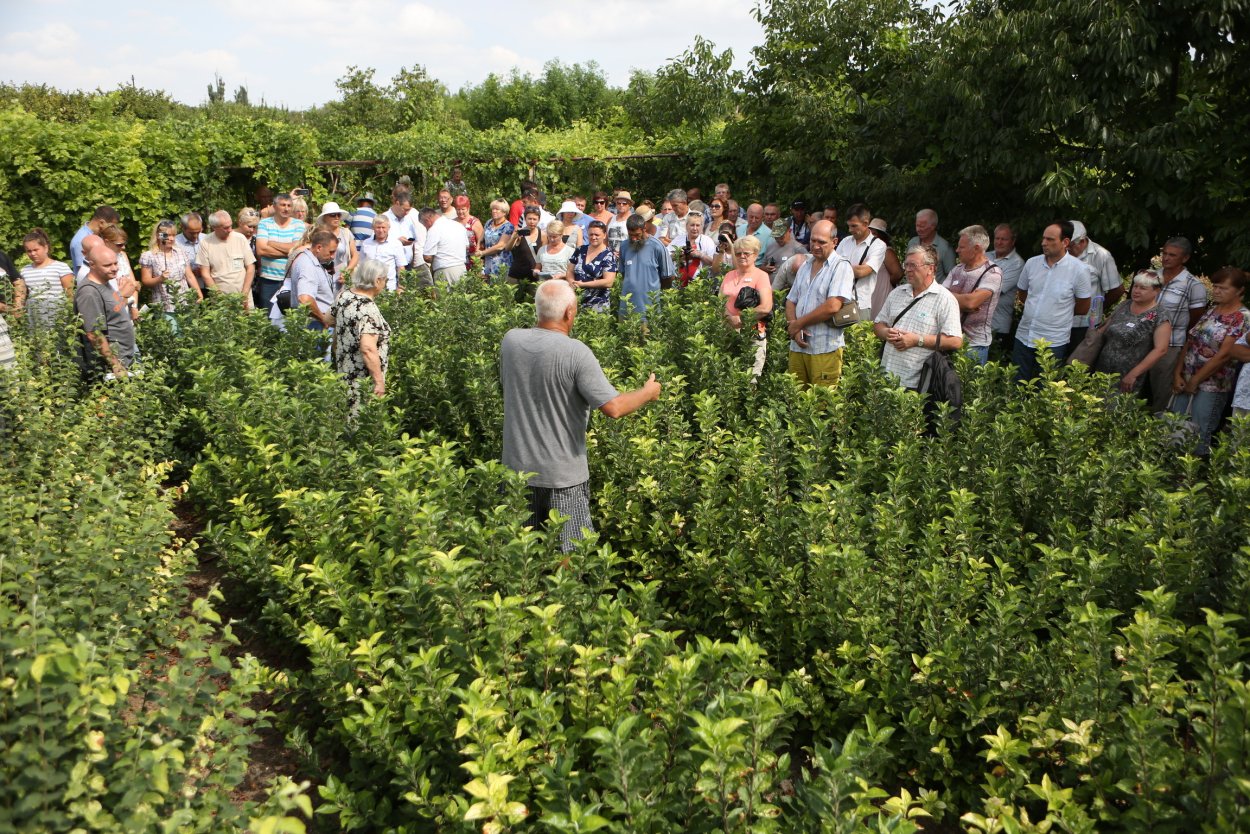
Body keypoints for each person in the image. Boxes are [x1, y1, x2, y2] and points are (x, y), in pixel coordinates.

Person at [500, 279, 662, 550]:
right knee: (570, 553)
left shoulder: (510, 341)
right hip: (563, 476)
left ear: (538, 309)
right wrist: (649, 391)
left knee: (521, 554)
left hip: (516, 472)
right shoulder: (576, 352)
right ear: (569, 313)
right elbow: (614, 407)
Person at [1170, 267, 1249, 454]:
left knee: (1199, 430)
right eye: (1215, 286)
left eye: (1223, 288)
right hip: (1186, 378)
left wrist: (1196, 380)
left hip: (1213, 384)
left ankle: (1190, 477)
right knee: (1175, 427)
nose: (1217, 291)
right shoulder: (1212, 310)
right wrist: (1177, 373)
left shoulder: (1243, 317)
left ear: (1239, 291)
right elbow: (1191, 341)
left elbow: (1224, 355)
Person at [874, 244, 964, 389]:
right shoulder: (897, 292)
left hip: (917, 385)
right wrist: (886, 333)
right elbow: (878, 324)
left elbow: (955, 341)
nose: (907, 269)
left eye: (913, 265)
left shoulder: (944, 299)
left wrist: (917, 340)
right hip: (885, 378)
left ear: (931, 268)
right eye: (906, 265)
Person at [1012, 221, 1093, 380]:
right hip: (1024, 336)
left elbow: (1083, 307)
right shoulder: (1032, 263)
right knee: (1017, 386)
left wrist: (1057, 313)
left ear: (1065, 242)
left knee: (1046, 390)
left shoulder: (1079, 270)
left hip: (1053, 342)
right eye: (1043, 238)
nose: (1044, 243)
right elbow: (1022, 293)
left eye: (1050, 239)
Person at [785, 219, 854, 389]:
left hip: (824, 347)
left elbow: (832, 306)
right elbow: (791, 300)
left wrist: (798, 324)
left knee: (822, 406)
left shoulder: (841, 267)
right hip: (798, 346)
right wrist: (794, 327)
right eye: (812, 241)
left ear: (834, 242)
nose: (815, 246)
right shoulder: (805, 265)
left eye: (821, 242)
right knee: (796, 400)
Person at [1148, 236, 1209, 413]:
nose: (1166, 258)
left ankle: (1156, 430)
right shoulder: (1151, 276)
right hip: (1143, 340)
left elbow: (1196, 318)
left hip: (1171, 344)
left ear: (1185, 258)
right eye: (1164, 253)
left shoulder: (1192, 284)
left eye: (1172, 255)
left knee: (1162, 389)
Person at [1089, 270, 1171, 395]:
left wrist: (1133, 374)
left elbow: (1161, 349)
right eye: (1135, 286)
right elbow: (1104, 329)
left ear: (1156, 291)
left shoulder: (1160, 314)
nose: (1136, 290)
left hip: (1127, 377)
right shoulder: (1124, 305)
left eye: (1143, 288)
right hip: (1102, 371)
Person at [332, 258, 391, 420]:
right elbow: (368, 348)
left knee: (346, 417)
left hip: (343, 372)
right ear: (377, 280)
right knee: (362, 423)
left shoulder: (344, 295)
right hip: (362, 380)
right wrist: (378, 382)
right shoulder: (368, 309)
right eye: (385, 280)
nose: (385, 284)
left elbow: (330, 320)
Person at [942, 225, 1002, 364]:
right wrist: (965, 301)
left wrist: (960, 301)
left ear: (976, 248)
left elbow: (971, 303)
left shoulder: (992, 273)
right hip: (949, 340)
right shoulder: (957, 269)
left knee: (967, 385)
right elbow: (939, 297)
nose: (957, 250)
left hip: (974, 346)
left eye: (961, 247)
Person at [74, 245, 135, 380]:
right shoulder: (89, 292)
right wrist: (115, 364)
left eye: (115, 263)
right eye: (107, 265)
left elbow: (113, 311)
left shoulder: (105, 283)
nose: (114, 268)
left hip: (124, 358)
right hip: (110, 368)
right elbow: (94, 333)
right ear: (92, 265)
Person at [721, 236, 774, 377]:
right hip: (727, 331)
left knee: (751, 377)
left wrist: (740, 318)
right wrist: (730, 318)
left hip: (752, 331)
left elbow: (766, 307)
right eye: (738, 253)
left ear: (755, 255)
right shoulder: (728, 275)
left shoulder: (761, 276)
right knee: (728, 376)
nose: (742, 256)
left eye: (746, 253)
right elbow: (720, 303)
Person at [270, 229, 338, 331]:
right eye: (331, 252)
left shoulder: (312, 259)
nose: (333, 256)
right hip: (315, 325)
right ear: (319, 247)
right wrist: (323, 320)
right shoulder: (307, 265)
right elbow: (305, 299)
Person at [1068, 220, 1122, 344]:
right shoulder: (1061, 254)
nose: (1067, 248)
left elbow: (1117, 290)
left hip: (1086, 324)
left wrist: (1096, 307)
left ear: (1082, 241)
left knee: (1078, 361)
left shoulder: (1101, 255)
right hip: (1059, 321)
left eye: (1070, 245)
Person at [140, 219, 203, 322]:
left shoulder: (181, 252)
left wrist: (198, 293)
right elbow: (146, 281)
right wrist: (159, 279)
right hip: (164, 304)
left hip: (185, 302)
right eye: (167, 235)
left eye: (173, 235)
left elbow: (189, 276)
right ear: (158, 235)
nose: (171, 238)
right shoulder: (149, 256)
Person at [834, 203, 888, 318]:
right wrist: (855, 268)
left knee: (859, 336)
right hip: (838, 300)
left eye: (854, 226)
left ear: (866, 224)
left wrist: (841, 267)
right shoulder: (845, 241)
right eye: (849, 226)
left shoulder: (878, 245)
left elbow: (863, 271)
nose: (850, 230)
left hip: (860, 304)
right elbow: (831, 266)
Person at [255, 192, 307, 311]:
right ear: (274, 206)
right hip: (269, 279)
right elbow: (261, 250)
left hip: (291, 279)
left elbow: (297, 249)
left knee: (291, 320)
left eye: (289, 205)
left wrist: (271, 243)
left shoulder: (298, 225)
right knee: (267, 318)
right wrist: (290, 251)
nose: (286, 208)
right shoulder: (264, 223)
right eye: (283, 205)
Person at [617, 214, 674, 319]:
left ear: (644, 229)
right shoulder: (624, 246)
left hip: (649, 310)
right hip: (627, 309)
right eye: (630, 235)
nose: (634, 238)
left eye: (637, 234)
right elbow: (624, 274)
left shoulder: (657, 246)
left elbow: (668, 277)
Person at [18, 229, 75, 332]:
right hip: (34, 318)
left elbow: (70, 295)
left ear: (45, 248)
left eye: (36, 250)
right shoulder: (24, 270)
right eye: (29, 251)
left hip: (58, 316)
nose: (33, 254)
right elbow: (22, 295)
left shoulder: (61, 267)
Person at [200, 210, 257, 304]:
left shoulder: (240, 238)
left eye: (230, 225)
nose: (230, 230)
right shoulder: (205, 242)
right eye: (225, 228)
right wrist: (219, 297)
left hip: (244, 296)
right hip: (220, 299)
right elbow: (205, 274)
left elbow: (251, 267)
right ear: (214, 227)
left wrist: (245, 293)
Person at [988, 223, 1025, 349]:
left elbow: (995, 289)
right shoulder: (985, 256)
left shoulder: (1017, 264)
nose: (999, 242)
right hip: (976, 324)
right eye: (997, 238)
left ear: (1013, 241)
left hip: (998, 326)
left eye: (1004, 239)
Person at [567, 221, 618, 312]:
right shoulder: (580, 250)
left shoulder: (608, 255)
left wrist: (583, 284)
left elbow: (608, 282)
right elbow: (570, 270)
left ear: (604, 235)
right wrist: (571, 282)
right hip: (577, 300)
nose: (593, 237)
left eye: (597, 235)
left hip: (598, 305)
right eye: (591, 234)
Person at [384, 186, 429, 287]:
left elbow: (414, 242)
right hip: (391, 266)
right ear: (397, 203)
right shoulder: (384, 219)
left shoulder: (408, 220)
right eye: (405, 209)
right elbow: (377, 241)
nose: (407, 213)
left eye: (409, 210)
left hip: (407, 266)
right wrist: (397, 241)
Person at [359, 215, 412, 291]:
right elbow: (361, 265)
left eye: (383, 227)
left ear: (388, 228)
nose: (381, 230)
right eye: (378, 227)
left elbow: (401, 267)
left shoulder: (396, 244)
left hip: (388, 288)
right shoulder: (366, 243)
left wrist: (401, 287)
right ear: (373, 228)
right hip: (368, 287)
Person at [421, 207, 469, 285]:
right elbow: (466, 246)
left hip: (445, 270)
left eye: (424, 225)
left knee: (445, 296)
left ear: (427, 220)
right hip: (461, 268)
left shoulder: (434, 229)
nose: (426, 227)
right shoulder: (458, 225)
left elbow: (427, 256)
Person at [908, 209, 955, 282]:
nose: (918, 229)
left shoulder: (944, 247)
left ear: (933, 226)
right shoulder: (912, 242)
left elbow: (952, 276)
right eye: (917, 225)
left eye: (922, 226)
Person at [69, 206, 121, 274]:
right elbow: (83, 268)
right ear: (101, 222)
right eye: (111, 226)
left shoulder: (99, 235)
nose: (113, 229)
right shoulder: (80, 240)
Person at [867, 218, 903, 315]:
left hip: (881, 293)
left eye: (874, 233)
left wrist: (886, 282)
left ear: (881, 236)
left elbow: (898, 274)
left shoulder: (887, 251)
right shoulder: (868, 250)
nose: (871, 236)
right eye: (869, 233)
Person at [764, 219, 808, 292]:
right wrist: (766, 268)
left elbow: (809, 267)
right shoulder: (770, 246)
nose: (778, 239)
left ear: (789, 231)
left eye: (781, 236)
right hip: (770, 288)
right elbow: (762, 265)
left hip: (788, 290)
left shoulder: (798, 248)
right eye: (776, 237)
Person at [317, 202, 360, 276]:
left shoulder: (346, 232)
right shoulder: (319, 234)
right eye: (333, 215)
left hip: (343, 277)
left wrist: (347, 271)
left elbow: (355, 255)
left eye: (338, 215)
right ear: (325, 217)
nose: (337, 217)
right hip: (323, 276)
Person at [479, 199, 516, 280]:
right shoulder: (489, 222)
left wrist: (482, 253)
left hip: (501, 262)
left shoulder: (508, 226)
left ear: (504, 212)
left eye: (497, 209)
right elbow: (481, 238)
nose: (494, 211)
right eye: (493, 209)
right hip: (488, 261)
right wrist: (477, 250)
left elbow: (501, 246)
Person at [678, 214, 717, 286]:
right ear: (686, 226)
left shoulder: (707, 241)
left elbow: (714, 263)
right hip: (679, 281)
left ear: (702, 227)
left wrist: (700, 255)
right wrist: (678, 254)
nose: (695, 228)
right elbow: (667, 257)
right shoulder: (678, 240)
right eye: (692, 225)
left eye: (698, 225)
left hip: (701, 282)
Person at [452, 195, 485, 271]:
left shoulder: (474, 222)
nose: (460, 212)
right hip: (456, 260)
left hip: (473, 260)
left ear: (468, 208)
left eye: (463, 209)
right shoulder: (452, 222)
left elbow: (482, 243)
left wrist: (479, 260)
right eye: (458, 209)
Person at [177, 212, 206, 289]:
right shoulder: (175, 243)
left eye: (198, 232)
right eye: (192, 233)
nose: (195, 236)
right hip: (186, 288)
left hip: (208, 285)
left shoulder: (207, 239)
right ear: (182, 228)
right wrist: (190, 272)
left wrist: (205, 270)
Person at [607, 191, 633, 255]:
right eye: (619, 203)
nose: (621, 205)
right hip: (610, 257)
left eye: (624, 203)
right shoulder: (611, 219)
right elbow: (605, 238)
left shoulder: (632, 219)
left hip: (627, 256)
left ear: (629, 205)